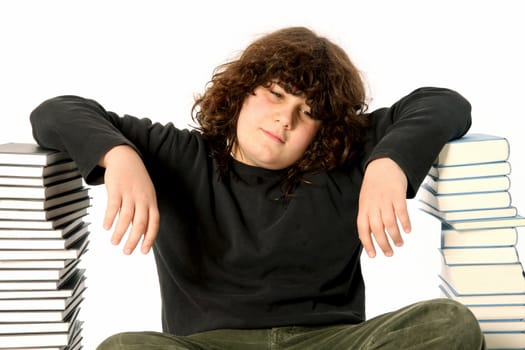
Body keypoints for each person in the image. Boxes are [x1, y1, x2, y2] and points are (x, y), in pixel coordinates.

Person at [30, 26, 485, 349]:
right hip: (207, 345)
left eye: (308, 113)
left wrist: (389, 163)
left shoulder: (343, 159)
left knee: (448, 324)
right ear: (242, 91)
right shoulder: (178, 154)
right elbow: (56, 112)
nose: (284, 119)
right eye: (276, 94)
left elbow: (445, 103)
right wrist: (119, 155)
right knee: (125, 347)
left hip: (332, 341)